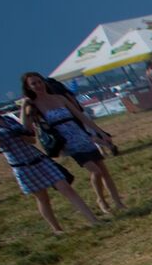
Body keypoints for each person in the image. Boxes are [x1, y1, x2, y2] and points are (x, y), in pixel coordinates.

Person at [0, 91, 102, 235]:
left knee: (65, 187)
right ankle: (57, 229)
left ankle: (93, 220)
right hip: (22, 166)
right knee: (43, 198)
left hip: (38, 159)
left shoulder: (8, 119)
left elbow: (31, 139)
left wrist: (24, 130)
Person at [20, 72, 126, 213]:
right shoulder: (34, 106)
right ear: (28, 87)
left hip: (81, 136)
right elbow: (25, 128)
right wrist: (23, 107)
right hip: (67, 142)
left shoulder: (59, 98)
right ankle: (101, 199)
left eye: (39, 81)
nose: (38, 85)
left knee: (103, 170)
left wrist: (100, 132)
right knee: (96, 171)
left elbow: (81, 116)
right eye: (33, 84)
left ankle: (117, 202)